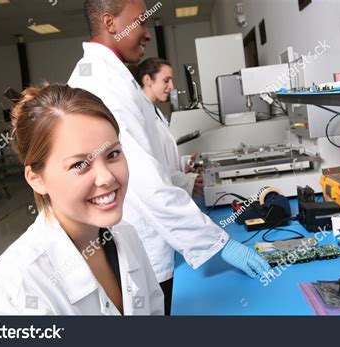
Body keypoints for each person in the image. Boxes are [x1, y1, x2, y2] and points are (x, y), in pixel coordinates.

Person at [69, 0, 270, 315]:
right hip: (136, 245)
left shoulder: (117, 79)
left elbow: (151, 165)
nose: (147, 33)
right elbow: (142, 178)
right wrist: (219, 242)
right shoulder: (102, 85)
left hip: (145, 238)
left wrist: (182, 181)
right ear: (110, 23)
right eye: (140, 22)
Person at [0, 84, 164, 315]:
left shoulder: (126, 236)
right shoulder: (16, 293)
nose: (106, 177)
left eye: (112, 154)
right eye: (80, 164)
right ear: (36, 179)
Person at [131, 57, 202, 198]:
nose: (172, 86)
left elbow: (164, 157)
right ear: (147, 80)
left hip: (170, 189)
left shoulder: (155, 111)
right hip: (159, 196)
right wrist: (188, 180)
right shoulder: (140, 115)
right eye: (166, 80)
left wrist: (184, 163)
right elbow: (153, 168)